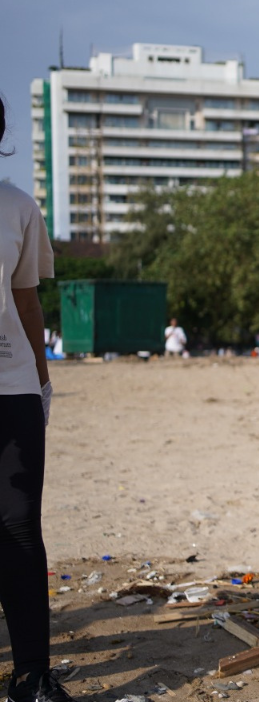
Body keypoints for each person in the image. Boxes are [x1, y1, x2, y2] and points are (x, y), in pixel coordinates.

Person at [1, 95, 79, 702]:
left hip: (12, 387)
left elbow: (26, 299)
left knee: (20, 528)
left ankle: (32, 676)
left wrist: (44, 380)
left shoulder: (18, 207)